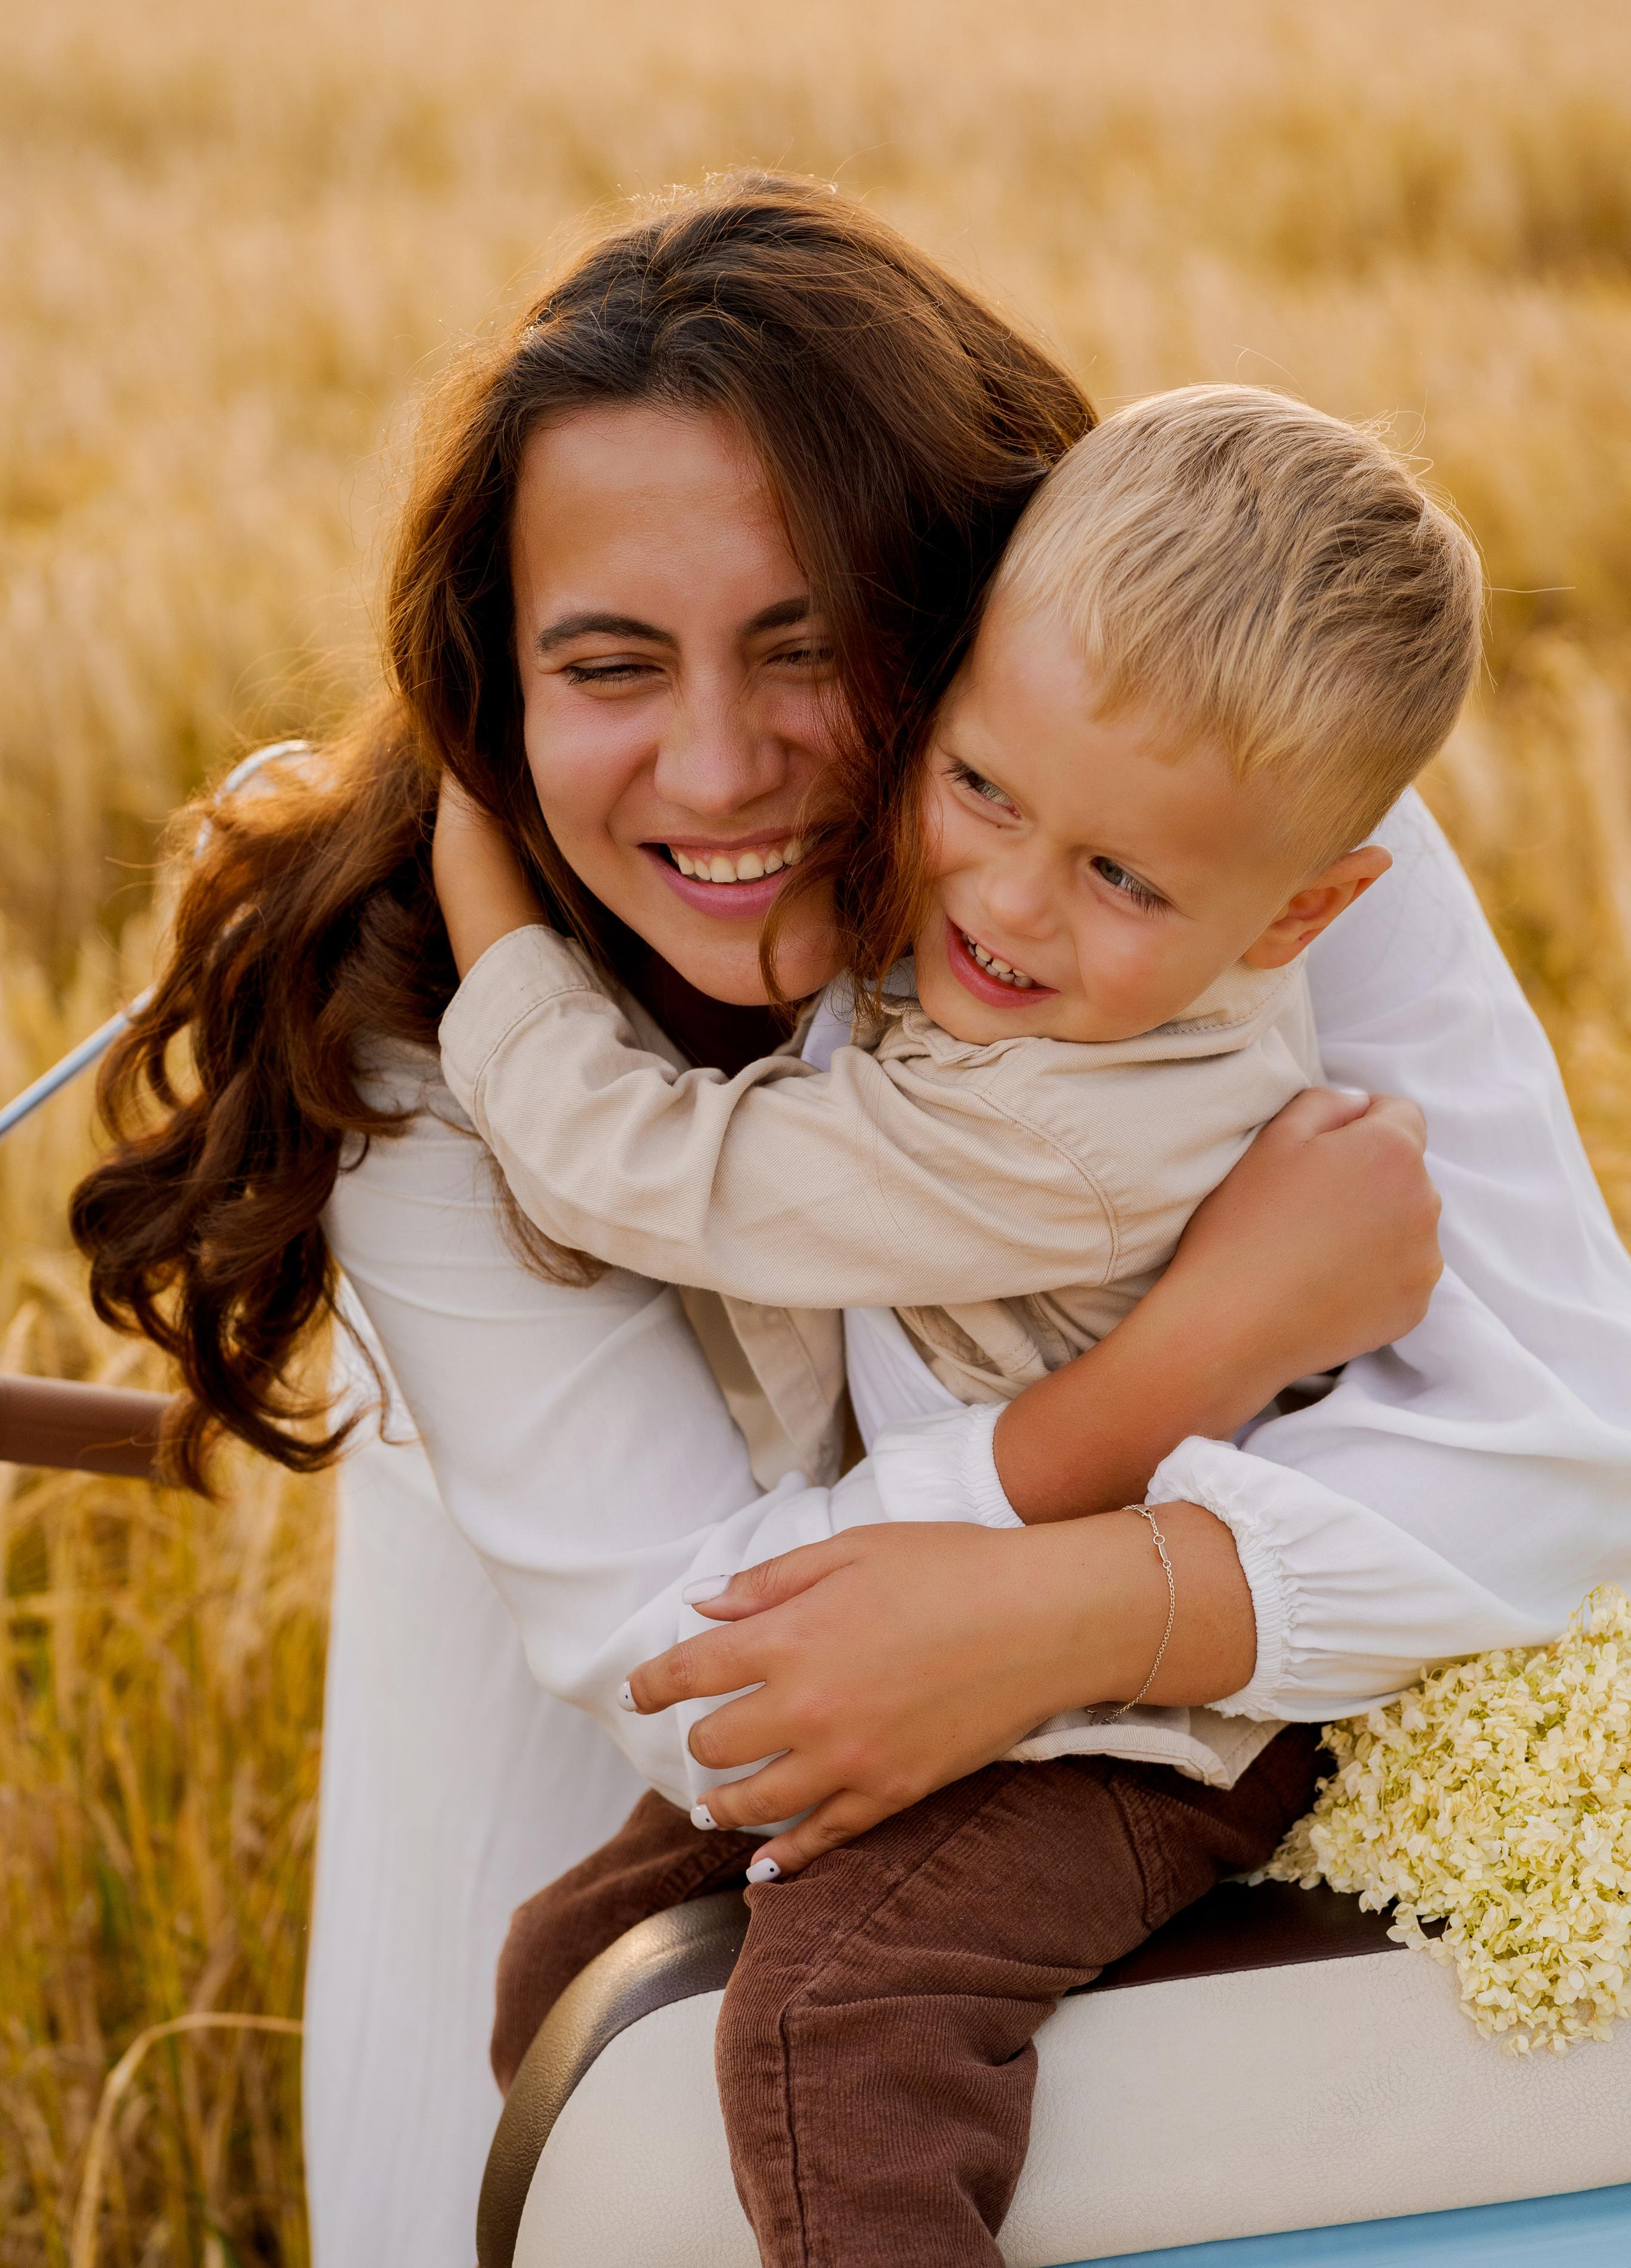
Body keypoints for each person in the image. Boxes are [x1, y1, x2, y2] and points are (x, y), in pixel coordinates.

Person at [66, 177, 1631, 2268]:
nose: (719, 771)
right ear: (490, 695)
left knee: (847, 2039)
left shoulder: (1205, 790)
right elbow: (700, 1665)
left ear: (955, 614)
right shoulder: (428, 1046)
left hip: (1164, 1732)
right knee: (546, 2005)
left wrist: (1093, 1614)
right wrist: (1189, 1373)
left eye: (806, 652)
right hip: (676, 1707)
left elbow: (1564, 1440)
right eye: (606, 665)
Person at [422, 381, 1484, 2260]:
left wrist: (479, 888)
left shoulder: (1071, 1117)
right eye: (983, 788)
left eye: (1122, 878)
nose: (1001, 900)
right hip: (1011, 1663)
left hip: (1159, 1724)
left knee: (844, 2025)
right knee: (568, 1957)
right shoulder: (1071, 959)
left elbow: (647, 1168)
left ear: (1299, 914)